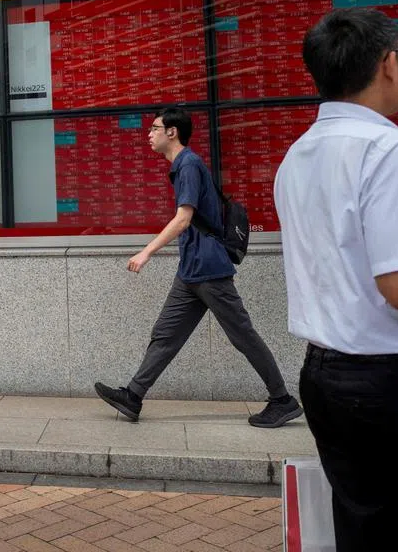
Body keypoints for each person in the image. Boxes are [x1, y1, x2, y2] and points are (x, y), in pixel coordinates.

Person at [274, 8, 398, 552]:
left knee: (361, 522)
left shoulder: (297, 154)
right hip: (387, 375)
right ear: (388, 64)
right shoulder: (391, 149)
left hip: (321, 373)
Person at [95, 107, 302, 428]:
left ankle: (282, 400)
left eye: (154, 128)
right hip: (191, 271)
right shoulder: (182, 166)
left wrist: (146, 252)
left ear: (172, 132)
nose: (149, 134)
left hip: (209, 269)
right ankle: (133, 396)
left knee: (243, 336)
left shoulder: (188, 165)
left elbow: (183, 218)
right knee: (165, 334)